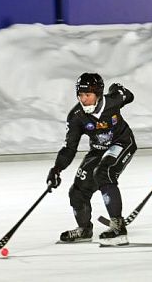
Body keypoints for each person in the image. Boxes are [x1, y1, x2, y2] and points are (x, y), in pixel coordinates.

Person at [49, 73, 136, 247]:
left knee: (103, 173)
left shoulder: (112, 101)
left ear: (98, 93)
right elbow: (69, 148)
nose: (84, 99)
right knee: (77, 191)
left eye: (88, 95)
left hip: (122, 143)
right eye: (80, 95)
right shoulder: (76, 116)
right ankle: (84, 229)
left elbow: (129, 96)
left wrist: (118, 90)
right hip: (98, 150)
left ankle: (118, 226)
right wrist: (57, 169)